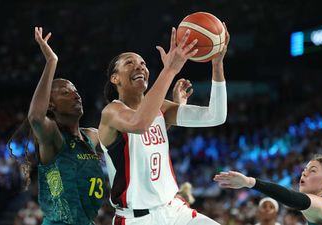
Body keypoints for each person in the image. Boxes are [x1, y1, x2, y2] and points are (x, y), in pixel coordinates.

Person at [98, 23, 229, 225]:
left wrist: (217, 65)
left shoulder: (161, 109)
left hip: (175, 211)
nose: (139, 66)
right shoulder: (112, 112)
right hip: (137, 219)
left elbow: (216, 116)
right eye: (129, 63)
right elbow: (140, 123)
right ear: (115, 78)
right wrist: (170, 70)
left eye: (142, 63)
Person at [9, 27, 105, 225]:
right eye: (65, 93)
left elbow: (131, 139)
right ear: (50, 105)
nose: (75, 95)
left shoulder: (93, 136)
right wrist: (52, 61)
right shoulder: (52, 136)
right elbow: (35, 117)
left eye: (76, 91)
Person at [214, 155, 322, 225]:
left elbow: (290, 198)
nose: (304, 173)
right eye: (304, 170)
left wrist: (249, 182)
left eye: (313, 171)